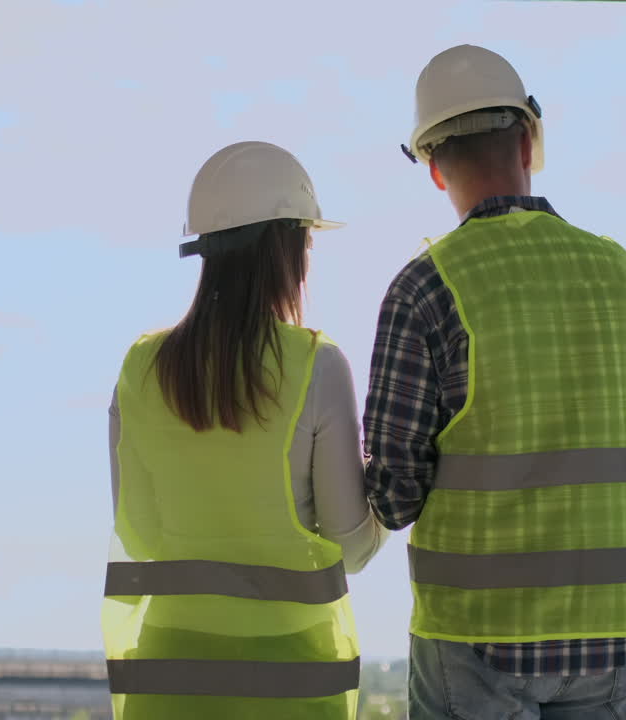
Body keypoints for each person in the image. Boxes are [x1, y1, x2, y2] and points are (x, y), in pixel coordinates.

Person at [364, 45, 626, 719]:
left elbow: (394, 498)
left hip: (475, 639)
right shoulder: (617, 272)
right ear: (528, 139)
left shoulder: (424, 289)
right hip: (613, 636)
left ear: (433, 168)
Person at [102, 141, 387, 720]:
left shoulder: (140, 368)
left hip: (167, 680)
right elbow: (351, 548)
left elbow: (141, 538)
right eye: (305, 239)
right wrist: (387, 497)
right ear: (286, 248)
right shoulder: (316, 365)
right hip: (292, 687)